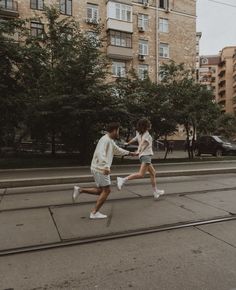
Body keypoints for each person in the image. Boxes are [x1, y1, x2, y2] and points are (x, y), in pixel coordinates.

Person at [72, 122, 136, 219]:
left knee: (101, 191)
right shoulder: (105, 140)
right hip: (100, 169)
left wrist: (130, 153)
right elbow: (100, 153)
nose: (118, 133)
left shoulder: (109, 140)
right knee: (107, 191)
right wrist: (106, 167)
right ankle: (94, 213)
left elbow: (117, 150)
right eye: (118, 130)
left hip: (97, 168)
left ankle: (80, 190)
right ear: (114, 130)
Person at [117, 118, 165, 199]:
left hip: (144, 156)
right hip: (146, 156)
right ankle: (123, 180)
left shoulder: (139, 133)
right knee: (141, 174)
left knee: (153, 173)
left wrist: (127, 143)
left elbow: (135, 139)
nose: (150, 124)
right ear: (145, 126)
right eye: (148, 123)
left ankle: (155, 191)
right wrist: (138, 151)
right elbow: (142, 144)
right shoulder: (146, 134)